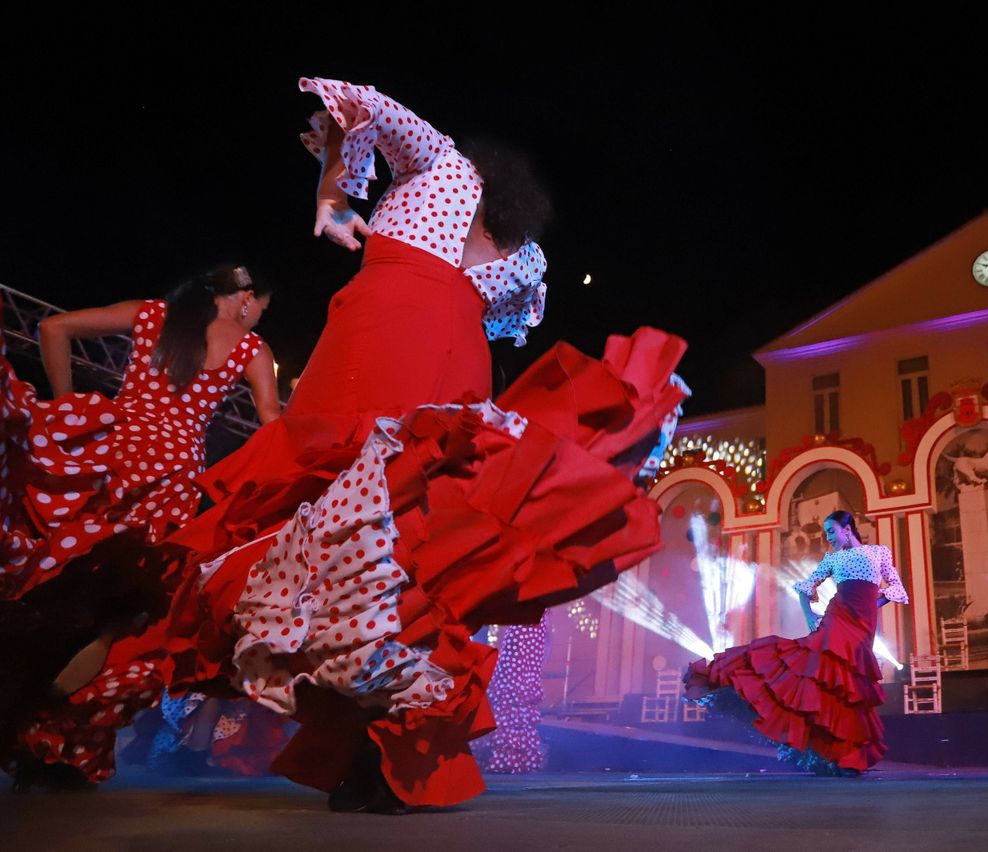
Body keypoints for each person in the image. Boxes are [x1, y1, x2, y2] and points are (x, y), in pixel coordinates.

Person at [40, 76, 689, 812]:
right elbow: (511, 312)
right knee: (398, 552)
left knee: (333, 532)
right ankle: (378, 756)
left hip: (387, 344)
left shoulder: (444, 167)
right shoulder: (520, 252)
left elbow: (364, 103)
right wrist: (339, 170)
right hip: (423, 356)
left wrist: (333, 189)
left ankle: (104, 688)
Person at [1, 265, 279, 790]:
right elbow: (270, 426)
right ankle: (58, 741)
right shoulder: (250, 347)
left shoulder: (153, 314)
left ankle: (25, 717)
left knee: (63, 586)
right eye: (262, 305)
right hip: (173, 475)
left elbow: (52, 328)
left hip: (112, 452)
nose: (261, 314)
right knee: (125, 618)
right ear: (245, 298)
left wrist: (64, 402)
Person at [685, 510, 905, 775]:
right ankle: (838, 753)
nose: (829, 537)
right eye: (826, 533)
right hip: (838, 620)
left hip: (863, 626)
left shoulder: (879, 552)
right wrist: (809, 616)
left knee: (849, 685)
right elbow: (804, 588)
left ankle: (839, 753)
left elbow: (897, 588)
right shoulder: (832, 559)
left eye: (831, 531)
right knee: (825, 673)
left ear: (847, 528)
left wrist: (873, 603)